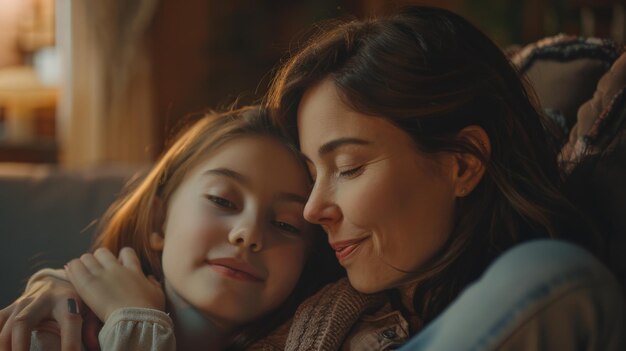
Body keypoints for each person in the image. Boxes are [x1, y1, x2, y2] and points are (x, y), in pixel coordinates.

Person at [2, 6, 624, 351]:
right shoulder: (321, 290)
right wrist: (74, 290)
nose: (314, 210)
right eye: (316, 174)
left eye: (348, 167)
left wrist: (138, 330)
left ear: (462, 164)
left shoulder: (536, 290)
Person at [0, 106, 341, 351]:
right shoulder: (54, 330)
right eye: (223, 201)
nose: (248, 233)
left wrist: (136, 324)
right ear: (159, 221)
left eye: (285, 224)